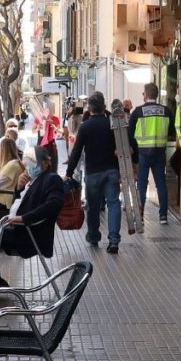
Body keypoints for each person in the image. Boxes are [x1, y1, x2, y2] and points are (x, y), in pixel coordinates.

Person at [0, 146, 64, 288]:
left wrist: (24, 219)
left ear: (45, 163)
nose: (28, 169)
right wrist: (19, 188)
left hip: (28, 234)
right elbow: (20, 205)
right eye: (26, 165)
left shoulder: (51, 179)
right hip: (17, 229)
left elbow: (54, 204)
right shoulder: (34, 181)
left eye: (32, 164)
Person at [65, 92, 120, 253]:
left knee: (93, 207)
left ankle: (94, 236)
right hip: (112, 171)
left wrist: (69, 172)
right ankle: (114, 241)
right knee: (114, 203)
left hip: (93, 173)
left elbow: (76, 151)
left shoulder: (85, 126)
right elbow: (124, 144)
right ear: (104, 106)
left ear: (89, 108)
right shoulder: (111, 124)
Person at [128, 82, 175, 225]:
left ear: (146, 94)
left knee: (141, 185)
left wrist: (133, 154)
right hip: (160, 153)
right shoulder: (166, 111)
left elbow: (129, 134)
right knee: (161, 184)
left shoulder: (137, 112)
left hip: (142, 154)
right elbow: (171, 133)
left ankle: (140, 216)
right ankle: (163, 217)